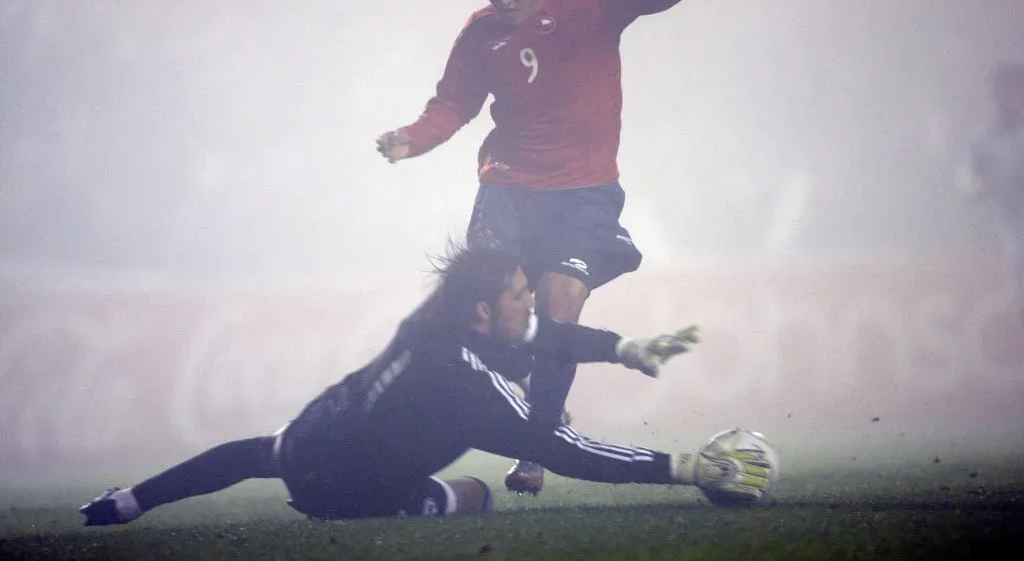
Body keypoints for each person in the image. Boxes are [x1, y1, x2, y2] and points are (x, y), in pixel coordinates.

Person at [79, 243, 771, 525]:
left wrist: (619, 347)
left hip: (313, 437)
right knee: (478, 495)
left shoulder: (432, 323)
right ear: (484, 311)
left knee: (265, 452)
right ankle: (423, 499)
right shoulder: (466, 386)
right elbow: (565, 451)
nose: (530, 301)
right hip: (352, 496)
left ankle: (127, 501)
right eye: (520, 293)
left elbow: (546, 336)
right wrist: (685, 467)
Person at [375, 0, 692, 494]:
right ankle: (526, 392)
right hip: (509, 191)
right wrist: (413, 138)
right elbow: (452, 104)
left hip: (582, 193)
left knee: (559, 301)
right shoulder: (481, 33)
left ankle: (536, 445)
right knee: (490, 318)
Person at [958, 61, 1024, 320]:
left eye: (1015, 90)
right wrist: (982, 187)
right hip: (1006, 230)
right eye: (1002, 91)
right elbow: (967, 183)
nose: (1009, 98)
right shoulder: (982, 140)